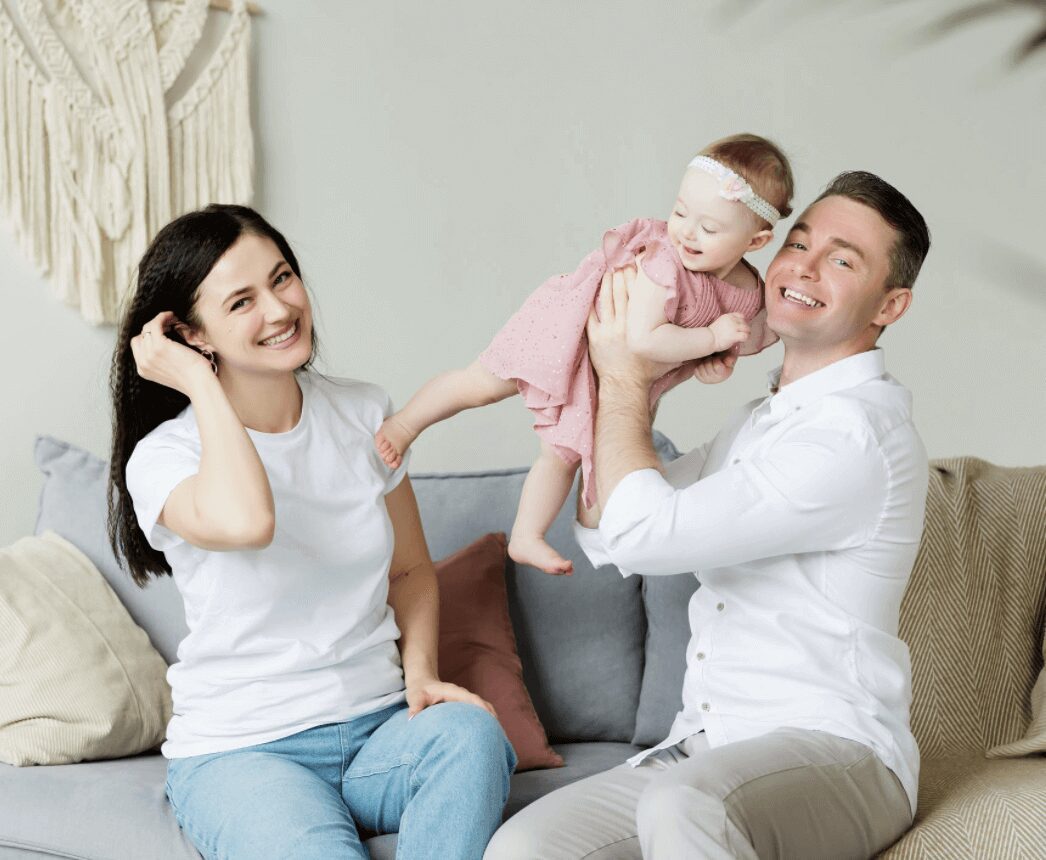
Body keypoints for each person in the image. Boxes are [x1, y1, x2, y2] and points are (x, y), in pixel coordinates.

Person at [484, 171, 932, 860]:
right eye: (799, 242)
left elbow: (647, 531)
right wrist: (644, 381)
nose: (802, 267)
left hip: (838, 751)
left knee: (682, 802)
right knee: (526, 849)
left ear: (890, 305)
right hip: (706, 748)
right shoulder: (763, 421)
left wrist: (627, 375)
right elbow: (609, 530)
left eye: (843, 259)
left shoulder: (851, 436)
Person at [106, 205, 516, 860]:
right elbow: (250, 521)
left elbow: (409, 570)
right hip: (244, 752)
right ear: (191, 333)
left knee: (472, 737)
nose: (279, 309)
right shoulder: (163, 458)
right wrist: (198, 383)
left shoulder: (363, 412)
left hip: (378, 729)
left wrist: (422, 676)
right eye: (241, 301)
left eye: (283, 278)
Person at [376, 133, 790, 574]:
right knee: (481, 383)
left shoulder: (749, 294)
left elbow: (734, 343)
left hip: (615, 373)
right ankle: (405, 424)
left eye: (709, 228)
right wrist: (709, 339)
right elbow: (645, 339)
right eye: (680, 211)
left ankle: (526, 536)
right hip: (570, 330)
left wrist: (715, 360)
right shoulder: (664, 261)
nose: (686, 231)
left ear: (756, 242)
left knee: (562, 453)